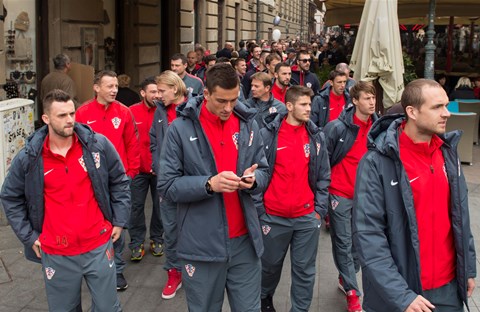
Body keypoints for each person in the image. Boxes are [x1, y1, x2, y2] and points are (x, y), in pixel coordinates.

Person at [353, 79, 477, 312]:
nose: (447, 113)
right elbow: (368, 235)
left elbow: (461, 216)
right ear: (412, 111)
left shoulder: (448, 154)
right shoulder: (377, 162)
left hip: (448, 289)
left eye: (446, 105)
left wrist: (468, 268)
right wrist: (401, 295)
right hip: (399, 293)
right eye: (437, 107)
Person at [1, 89, 130, 311]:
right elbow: (10, 197)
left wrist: (119, 220)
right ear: (46, 118)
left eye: (72, 113)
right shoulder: (30, 157)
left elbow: (119, 181)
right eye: (62, 116)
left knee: (108, 308)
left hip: (98, 244)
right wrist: (29, 236)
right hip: (56, 251)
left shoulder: (96, 145)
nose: (70, 120)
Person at [157, 63, 269, 312]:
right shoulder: (180, 128)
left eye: (233, 99)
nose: (228, 107)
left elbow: (263, 169)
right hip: (201, 245)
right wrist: (208, 184)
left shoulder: (248, 123)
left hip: (244, 242)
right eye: (221, 101)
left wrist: (255, 180)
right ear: (205, 94)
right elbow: (167, 185)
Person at [258, 85, 330, 312]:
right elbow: (257, 173)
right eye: (304, 105)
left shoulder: (316, 136)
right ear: (289, 106)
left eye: (310, 104)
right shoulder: (267, 135)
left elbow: (324, 176)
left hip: (306, 218)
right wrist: (260, 209)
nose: (309, 109)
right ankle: (264, 299)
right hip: (273, 217)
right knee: (268, 267)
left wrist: (319, 210)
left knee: (304, 271)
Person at [76, 70, 140, 291]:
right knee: (92, 223)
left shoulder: (123, 112)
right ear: (96, 88)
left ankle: (117, 270)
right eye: (109, 86)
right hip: (90, 179)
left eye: (115, 86)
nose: (114, 90)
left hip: (118, 179)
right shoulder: (83, 113)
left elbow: (132, 142)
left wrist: (131, 172)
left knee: (117, 224)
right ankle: (92, 267)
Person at [323, 81, 379, 312]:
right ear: (355, 101)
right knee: (343, 243)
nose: (372, 102)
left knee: (360, 243)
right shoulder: (337, 127)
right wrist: (322, 195)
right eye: (367, 98)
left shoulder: (378, 128)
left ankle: (346, 276)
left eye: (373, 98)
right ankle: (352, 292)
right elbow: (322, 161)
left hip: (366, 196)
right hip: (340, 194)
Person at [150, 70, 190, 299]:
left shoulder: (193, 110)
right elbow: (153, 139)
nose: (158, 95)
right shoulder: (160, 112)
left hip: (189, 183)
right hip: (166, 183)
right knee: (171, 230)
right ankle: (174, 272)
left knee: (193, 228)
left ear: (175, 89)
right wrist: (157, 163)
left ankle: (194, 269)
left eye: (162, 91)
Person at [128, 77, 164, 262]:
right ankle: (136, 242)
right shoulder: (131, 112)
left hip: (160, 170)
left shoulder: (164, 111)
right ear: (143, 93)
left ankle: (157, 239)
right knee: (135, 207)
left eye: (159, 91)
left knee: (160, 207)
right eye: (152, 92)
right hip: (138, 170)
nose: (157, 95)